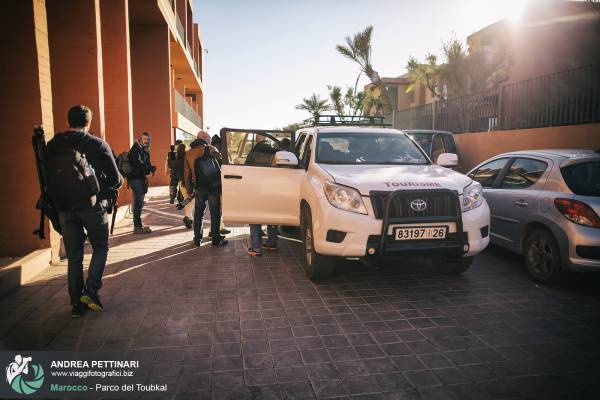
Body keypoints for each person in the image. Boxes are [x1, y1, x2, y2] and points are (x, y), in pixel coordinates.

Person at [45, 105, 122, 317]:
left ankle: (76, 304)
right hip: (92, 206)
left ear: (68, 121)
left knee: (74, 256)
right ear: (88, 123)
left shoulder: (52, 145)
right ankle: (91, 291)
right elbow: (116, 180)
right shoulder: (97, 144)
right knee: (100, 247)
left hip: (64, 208)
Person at [184, 131, 228, 247]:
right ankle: (216, 239)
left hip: (198, 187)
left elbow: (187, 173)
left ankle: (197, 239)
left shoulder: (188, 153)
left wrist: (189, 190)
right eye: (207, 137)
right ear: (203, 138)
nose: (209, 139)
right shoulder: (211, 149)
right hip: (213, 186)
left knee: (198, 213)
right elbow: (222, 164)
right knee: (215, 213)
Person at [128, 132, 156, 234]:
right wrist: (147, 171)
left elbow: (147, 164)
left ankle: (138, 224)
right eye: (144, 139)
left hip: (140, 179)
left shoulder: (145, 151)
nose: (146, 141)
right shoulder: (136, 149)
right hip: (136, 179)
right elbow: (137, 164)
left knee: (139, 203)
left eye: (148, 139)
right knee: (138, 203)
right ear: (140, 139)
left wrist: (152, 170)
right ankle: (137, 227)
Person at [175, 143, 193, 228]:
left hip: (181, 183)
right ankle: (187, 217)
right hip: (188, 182)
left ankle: (189, 218)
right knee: (191, 200)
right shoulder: (187, 159)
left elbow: (175, 173)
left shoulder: (176, 160)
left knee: (187, 200)